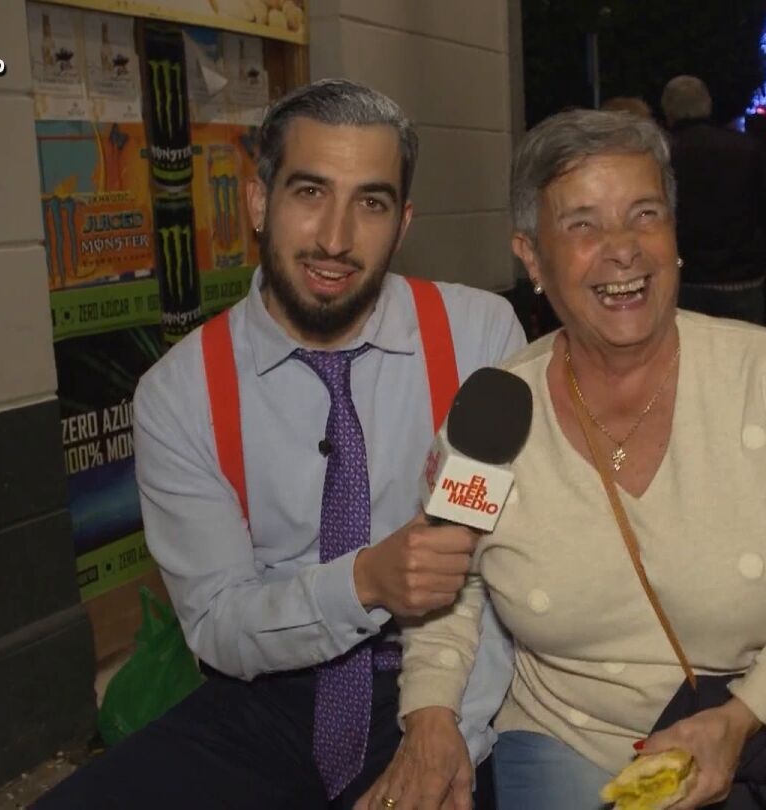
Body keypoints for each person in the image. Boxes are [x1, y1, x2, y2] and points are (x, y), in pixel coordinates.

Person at [359, 109, 766, 810]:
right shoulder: (493, 419)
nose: (623, 249)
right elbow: (448, 583)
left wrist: (745, 714)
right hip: (570, 740)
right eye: (582, 224)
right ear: (532, 258)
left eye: (645, 214)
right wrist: (430, 717)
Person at [38, 79, 525, 808]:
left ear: (402, 224)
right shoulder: (181, 393)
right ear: (259, 202)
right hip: (269, 693)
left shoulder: (476, 339)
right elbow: (219, 624)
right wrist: (365, 581)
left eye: (370, 203)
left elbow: (489, 574)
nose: (335, 238)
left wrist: (445, 728)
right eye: (310, 193)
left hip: (444, 680)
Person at [661, 75, 766, 325]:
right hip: (741, 276)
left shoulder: (663, 154)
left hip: (685, 276)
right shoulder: (746, 149)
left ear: (668, 110)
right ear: (708, 105)